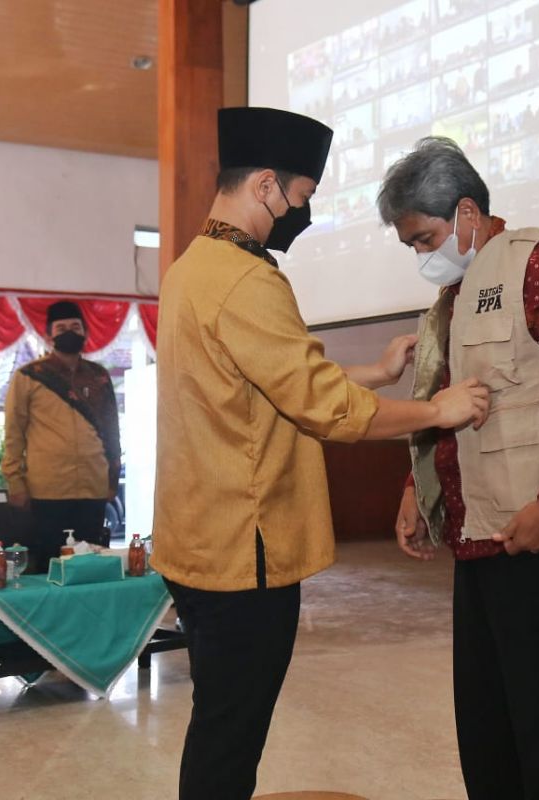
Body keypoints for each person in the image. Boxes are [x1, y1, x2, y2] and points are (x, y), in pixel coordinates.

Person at [150, 107, 489, 800]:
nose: (299, 214)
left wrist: (374, 373)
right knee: (231, 731)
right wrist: (436, 409)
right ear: (267, 185)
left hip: (199, 537)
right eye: (300, 198)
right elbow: (322, 408)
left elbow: (261, 381)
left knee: (220, 719)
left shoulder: (193, 268)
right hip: (247, 549)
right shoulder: (248, 279)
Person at [384, 137, 539, 800]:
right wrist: (418, 487)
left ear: (467, 212)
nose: (420, 255)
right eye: (410, 244)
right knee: (490, 729)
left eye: (424, 238)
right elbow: (450, 403)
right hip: (479, 537)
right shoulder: (457, 293)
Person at [2, 300, 121, 565]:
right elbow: (14, 433)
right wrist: (15, 481)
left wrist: (111, 478)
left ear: (85, 333)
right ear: (48, 336)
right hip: (48, 490)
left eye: (75, 327)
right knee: (50, 565)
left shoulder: (99, 376)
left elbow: (112, 431)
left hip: (93, 487)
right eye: (62, 327)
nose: (69, 332)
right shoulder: (30, 376)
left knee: (90, 565)